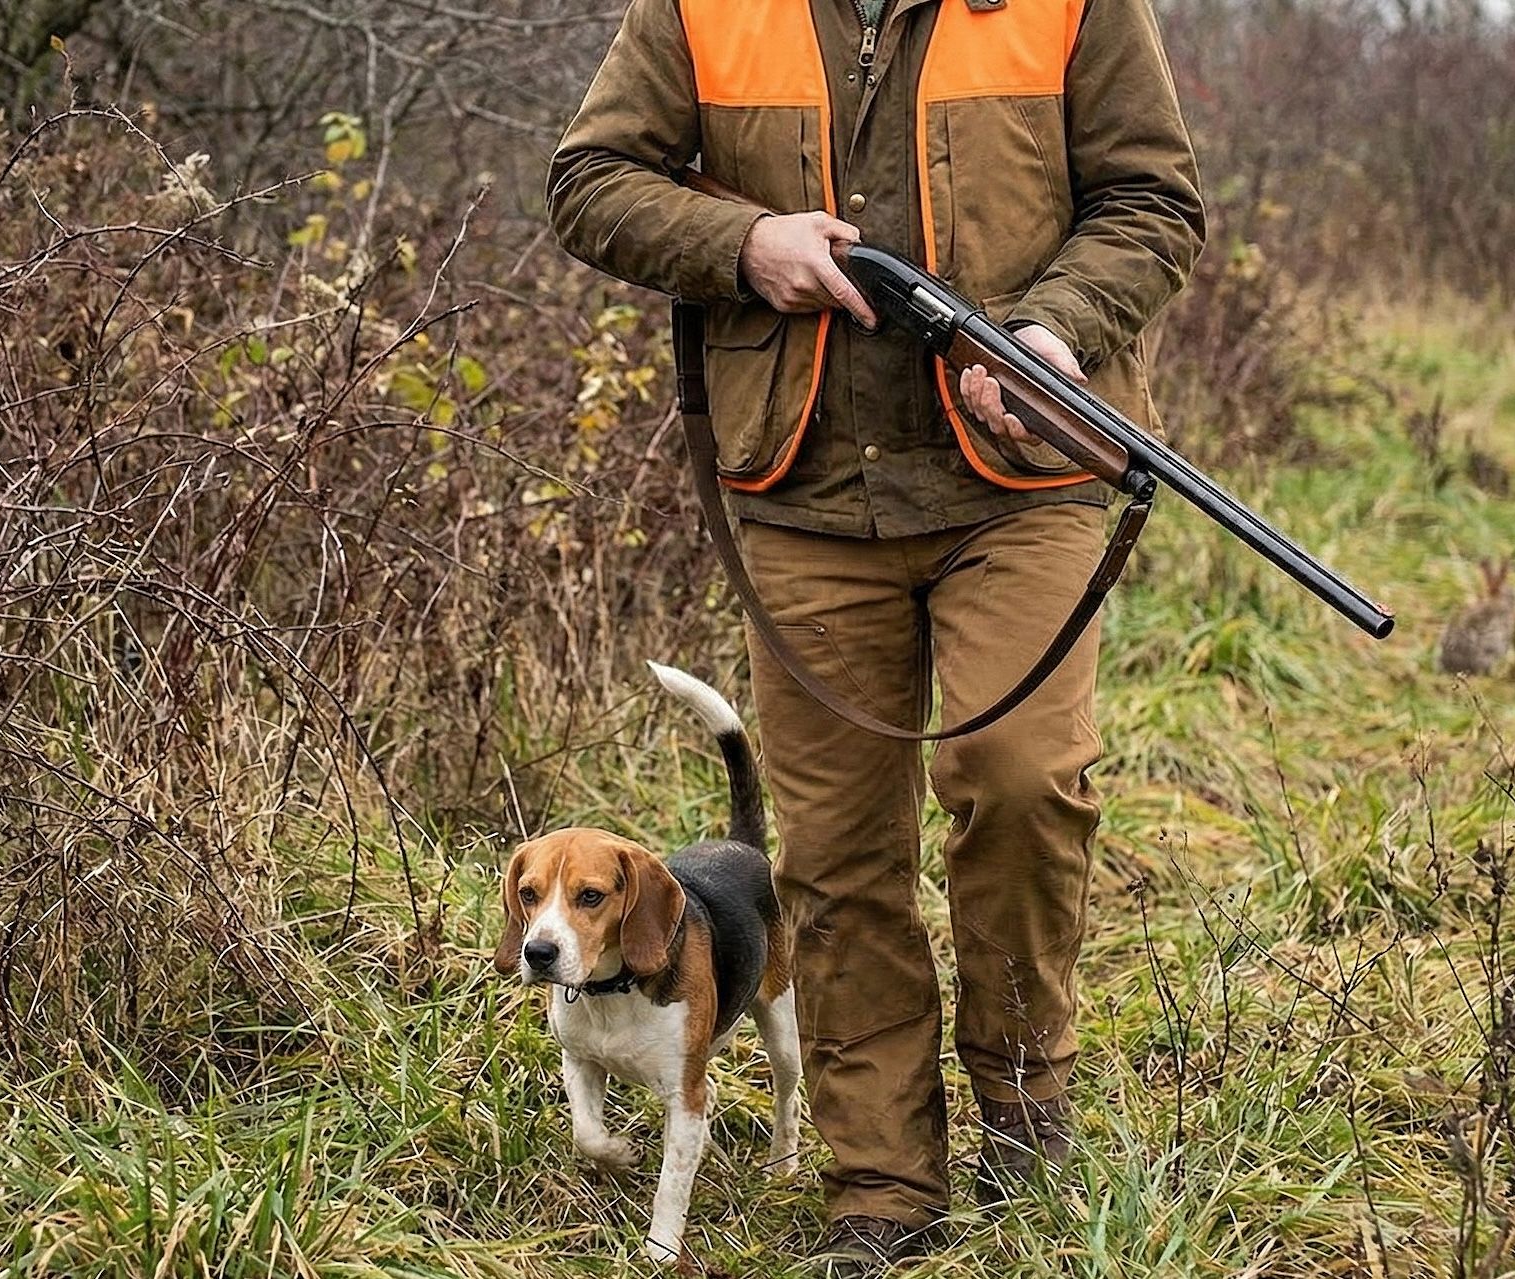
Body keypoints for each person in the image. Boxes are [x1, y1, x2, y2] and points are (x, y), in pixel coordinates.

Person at [548, 0, 1203, 1271]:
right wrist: (745, 243)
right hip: (801, 487)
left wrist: (1052, 332)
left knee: (1017, 776)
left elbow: (1153, 198)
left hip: (1022, 476)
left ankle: (1021, 1103)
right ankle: (882, 1180)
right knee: (837, 853)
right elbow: (589, 182)